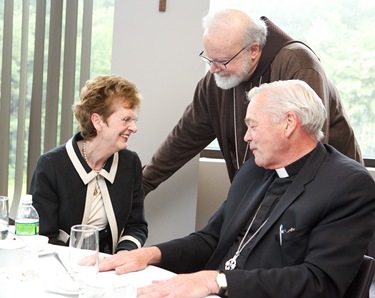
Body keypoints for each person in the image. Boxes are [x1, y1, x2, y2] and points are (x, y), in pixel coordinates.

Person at [99, 80, 375, 297]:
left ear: (289, 124)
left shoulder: (348, 185)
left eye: (253, 126)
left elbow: (318, 282)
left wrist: (217, 280)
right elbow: (210, 239)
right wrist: (149, 254)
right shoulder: (254, 168)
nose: (246, 137)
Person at [142, 8, 362, 196]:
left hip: (326, 196)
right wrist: (142, 185)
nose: (213, 69)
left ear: (254, 50)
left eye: (222, 61)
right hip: (260, 197)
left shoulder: (297, 64)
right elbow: (183, 139)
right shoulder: (216, 80)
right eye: (208, 59)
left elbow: (308, 148)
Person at [30, 75, 148, 254]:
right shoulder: (51, 165)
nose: (134, 128)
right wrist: (80, 261)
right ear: (98, 121)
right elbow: (44, 235)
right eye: (126, 120)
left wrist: (124, 253)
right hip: (62, 262)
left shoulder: (130, 163)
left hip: (111, 264)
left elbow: (136, 225)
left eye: (134, 120)